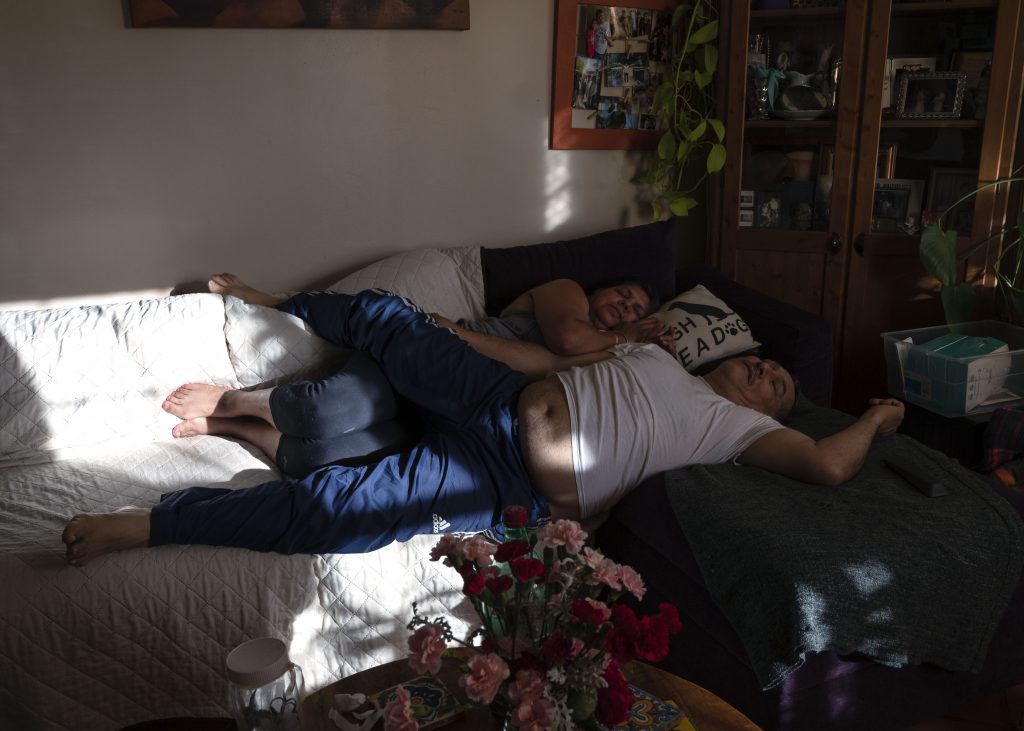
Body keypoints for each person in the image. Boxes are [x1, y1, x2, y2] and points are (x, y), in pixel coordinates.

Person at [62, 289, 904, 566]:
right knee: (388, 317)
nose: (767, 373)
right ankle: (271, 300)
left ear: (770, 414)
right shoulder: (651, 354)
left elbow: (829, 466)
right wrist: (444, 336)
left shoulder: (735, 433)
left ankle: (146, 524)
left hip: (504, 481)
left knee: (336, 515)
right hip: (498, 397)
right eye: (765, 363)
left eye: (780, 385)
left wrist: (874, 413)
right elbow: (545, 359)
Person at [162, 273, 667, 477]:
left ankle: (231, 426)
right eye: (623, 293)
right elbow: (567, 342)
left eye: (636, 310)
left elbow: (552, 368)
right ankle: (234, 400)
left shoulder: (611, 362)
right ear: (602, 289)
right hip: (433, 357)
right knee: (322, 410)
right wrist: (627, 336)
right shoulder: (570, 295)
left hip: (460, 410)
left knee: (318, 461)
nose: (625, 306)